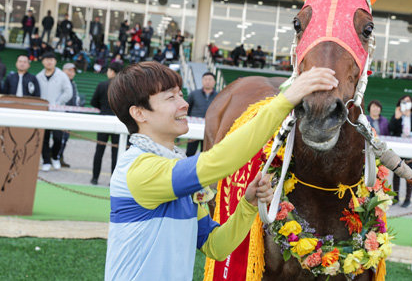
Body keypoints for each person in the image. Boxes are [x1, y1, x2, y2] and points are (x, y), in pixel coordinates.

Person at [104, 61, 338, 280]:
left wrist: (248, 205)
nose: (183, 104)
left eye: (181, 94)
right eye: (170, 98)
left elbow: (216, 246)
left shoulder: (169, 167)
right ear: (139, 113)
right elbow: (219, 161)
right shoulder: (140, 169)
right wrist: (285, 101)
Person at [36, 52, 73, 171]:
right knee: (44, 138)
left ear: (55, 62)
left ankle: (55, 157)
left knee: (58, 138)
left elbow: (68, 92)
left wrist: (58, 103)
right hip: (43, 113)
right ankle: (46, 161)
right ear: (43, 61)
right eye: (46, 59)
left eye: (51, 59)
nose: (49, 61)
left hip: (58, 113)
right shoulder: (38, 76)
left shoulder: (62, 76)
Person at [90, 61, 124, 185]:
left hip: (103, 120)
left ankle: (95, 178)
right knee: (117, 152)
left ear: (112, 72)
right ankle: (113, 181)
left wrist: (103, 108)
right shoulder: (124, 87)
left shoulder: (102, 85)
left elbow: (93, 102)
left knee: (99, 150)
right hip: (119, 122)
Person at [389, 95, 412, 208]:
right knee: (397, 171)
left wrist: (410, 116)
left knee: (410, 173)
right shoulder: (397, 113)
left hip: (411, 146)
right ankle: (396, 197)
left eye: (408, 101)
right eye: (404, 101)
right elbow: (391, 129)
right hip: (399, 147)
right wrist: (397, 118)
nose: (406, 103)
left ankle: (407, 199)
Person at [186, 72, 218, 156]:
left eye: (210, 79)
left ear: (214, 82)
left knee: (205, 153)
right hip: (194, 127)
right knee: (190, 152)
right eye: (205, 79)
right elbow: (187, 109)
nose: (207, 81)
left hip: (210, 129)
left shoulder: (219, 96)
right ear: (202, 81)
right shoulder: (194, 94)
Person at [58, 63, 82, 168]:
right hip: (60, 115)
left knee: (65, 138)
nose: (71, 73)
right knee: (59, 138)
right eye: (69, 70)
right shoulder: (60, 82)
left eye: (73, 71)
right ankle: (55, 156)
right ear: (63, 71)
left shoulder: (73, 84)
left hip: (69, 115)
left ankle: (59, 156)